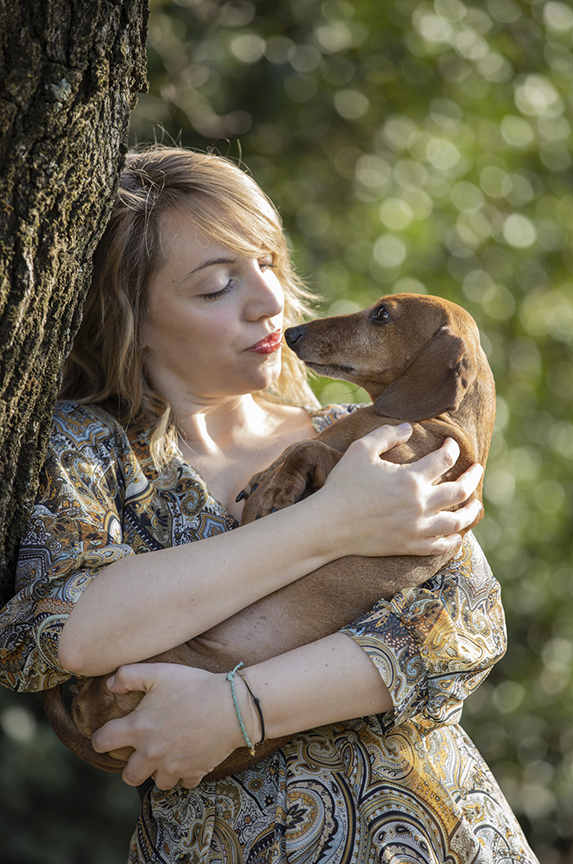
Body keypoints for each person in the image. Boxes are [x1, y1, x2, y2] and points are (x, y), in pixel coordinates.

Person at [0, 147, 536, 863]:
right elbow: (65, 629)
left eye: (267, 264)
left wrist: (236, 710)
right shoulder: (85, 449)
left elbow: (463, 628)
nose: (268, 301)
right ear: (133, 314)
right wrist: (328, 523)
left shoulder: (366, 435)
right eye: (218, 286)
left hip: (431, 838)